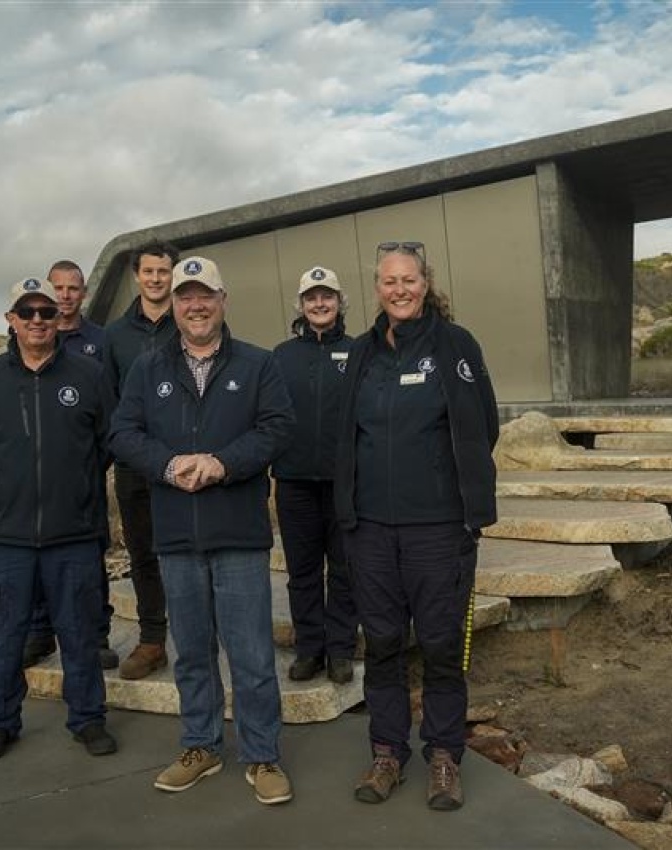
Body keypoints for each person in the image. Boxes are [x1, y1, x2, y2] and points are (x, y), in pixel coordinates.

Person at [109, 256, 296, 805]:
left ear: (222, 299)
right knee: (190, 651)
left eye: (205, 295)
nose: (195, 305)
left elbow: (278, 428)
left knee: (252, 654)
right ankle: (201, 745)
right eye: (186, 296)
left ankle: (262, 756)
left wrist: (222, 463)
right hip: (176, 535)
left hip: (237, 531)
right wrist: (168, 465)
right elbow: (123, 431)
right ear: (174, 303)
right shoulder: (148, 367)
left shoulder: (259, 365)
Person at [334, 241, 498, 811]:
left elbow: (485, 425)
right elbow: (345, 434)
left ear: (425, 283)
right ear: (376, 289)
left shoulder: (456, 345)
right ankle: (386, 753)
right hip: (371, 531)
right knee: (381, 644)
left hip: (439, 529)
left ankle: (444, 755)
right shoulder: (361, 352)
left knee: (440, 645)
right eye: (388, 282)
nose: (399, 290)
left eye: (408, 280)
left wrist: (460, 498)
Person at [0, 277, 117, 761]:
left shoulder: (89, 375)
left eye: (46, 312)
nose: (36, 320)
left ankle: (88, 720)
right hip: (7, 538)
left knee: (79, 633)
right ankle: (0, 722)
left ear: (58, 319)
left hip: (72, 534)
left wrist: (72, 490)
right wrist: (10, 490)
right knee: (6, 636)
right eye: (26, 311)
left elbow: (104, 444)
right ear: (10, 319)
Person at [22, 259, 118, 671]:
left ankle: (95, 637)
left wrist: (87, 467)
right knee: (36, 558)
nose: (64, 296)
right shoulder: (29, 336)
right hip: (34, 486)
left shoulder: (101, 341)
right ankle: (41, 633)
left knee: (89, 559)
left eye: (72, 288)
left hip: (84, 483)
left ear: (83, 292)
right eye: (57, 288)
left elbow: (109, 420)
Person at [272, 266, 358, 684]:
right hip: (294, 483)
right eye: (311, 298)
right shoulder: (281, 357)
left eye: (327, 297)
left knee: (344, 570)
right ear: (301, 306)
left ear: (340, 302)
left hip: (346, 484)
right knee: (303, 573)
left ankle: (340, 650)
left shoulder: (362, 353)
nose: (319, 304)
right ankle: (310, 649)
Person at [105, 243, 179, 680]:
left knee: (187, 552)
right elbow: (110, 404)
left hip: (182, 464)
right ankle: (152, 641)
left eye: (163, 272)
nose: (156, 279)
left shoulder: (189, 323)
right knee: (143, 554)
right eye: (148, 272)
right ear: (137, 276)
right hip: (133, 466)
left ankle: (195, 638)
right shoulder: (114, 336)